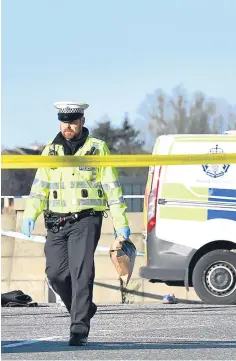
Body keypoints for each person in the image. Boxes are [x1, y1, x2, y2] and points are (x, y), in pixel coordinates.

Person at [21, 101, 131, 346]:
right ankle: (84, 308)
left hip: (86, 219)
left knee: (82, 273)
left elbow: (112, 188)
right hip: (56, 222)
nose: (67, 126)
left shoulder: (97, 149)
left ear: (82, 121)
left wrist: (120, 222)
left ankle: (79, 328)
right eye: (64, 121)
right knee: (56, 274)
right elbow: (40, 188)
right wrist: (30, 214)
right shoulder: (50, 151)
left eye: (72, 121)